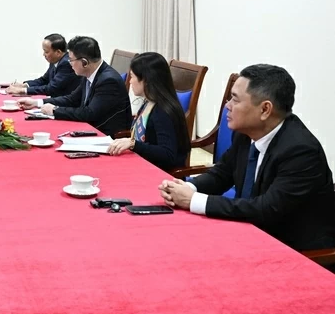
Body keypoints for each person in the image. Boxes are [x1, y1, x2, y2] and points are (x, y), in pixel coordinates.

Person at [159, 64, 335, 252]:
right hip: (251, 232)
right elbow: (222, 173)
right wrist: (188, 188)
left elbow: (266, 209)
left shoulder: (301, 151)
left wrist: (193, 200)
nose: (227, 106)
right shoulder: (245, 133)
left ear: (265, 109)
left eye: (235, 99)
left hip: (294, 249)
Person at [18, 36, 131, 136]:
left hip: (106, 136)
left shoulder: (108, 81)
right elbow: (72, 99)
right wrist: (37, 103)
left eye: (71, 60)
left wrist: (55, 110)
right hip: (89, 128)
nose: (69, 63)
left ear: (84, 62)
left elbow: (89, 113)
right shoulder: (89, 73)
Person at [107, 52, 189, 172]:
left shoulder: (162, 111)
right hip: (143, 165)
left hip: (160, 174)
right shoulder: (149, 102)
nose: (130, 81)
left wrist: (133, 144)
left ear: (145, 80)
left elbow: (168, 155)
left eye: (132, 76)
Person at [6, 33, 79, 97]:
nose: (44, 54)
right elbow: (44, 80)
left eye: (46, 52)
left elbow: (51, 88)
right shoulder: (55, 60)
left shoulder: (66, 63)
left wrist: (22, 90)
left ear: (58, 52)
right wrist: (24, 85)